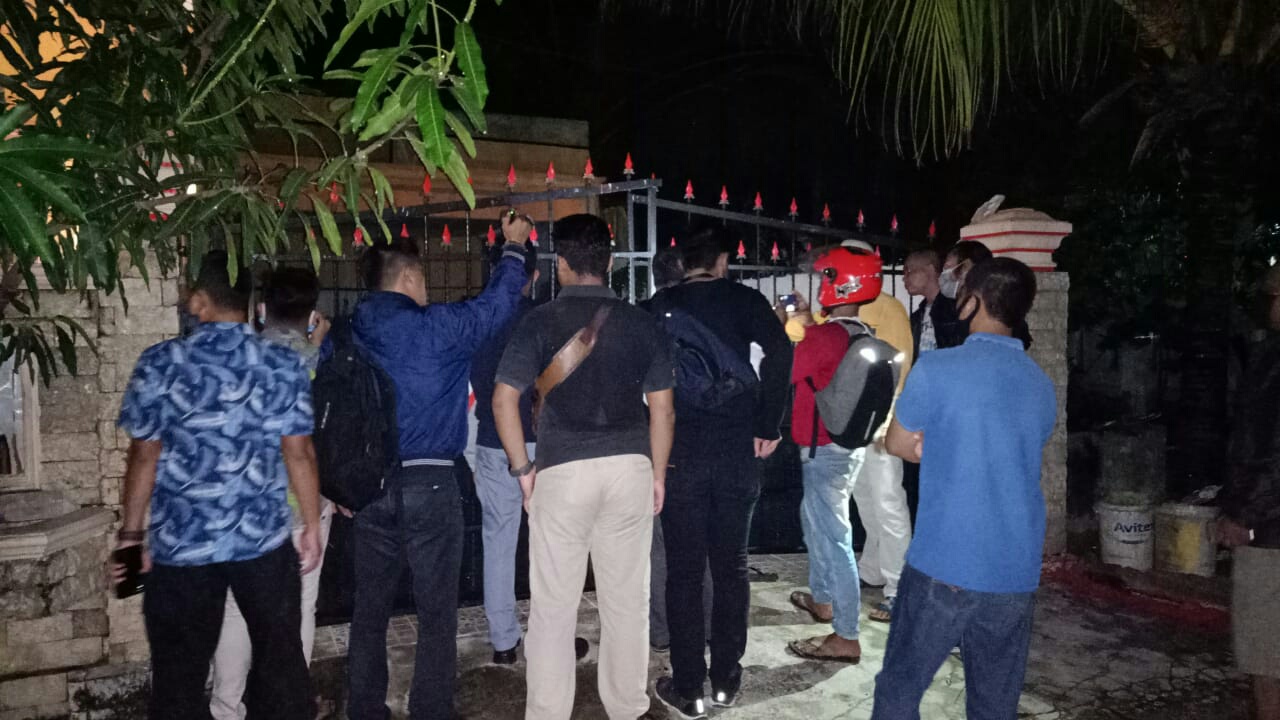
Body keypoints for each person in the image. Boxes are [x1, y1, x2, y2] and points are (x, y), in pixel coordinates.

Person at [110, 251, 322, 720]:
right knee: (282, 668)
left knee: (178, 681)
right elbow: (299, 452)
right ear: (247, 302)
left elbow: (144, 455)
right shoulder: (280, 364)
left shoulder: (160, 363)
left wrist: (131, 535)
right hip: (262, 543)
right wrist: (310, 524)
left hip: (183, 546)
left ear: (200, 301)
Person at [345, 217, 532, 720]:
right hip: (429, 481)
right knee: (436, 612)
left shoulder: (350, 331)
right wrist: (514, 248)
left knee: (369, 611)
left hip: (368, 486)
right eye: (422, 277)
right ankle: (430, 709)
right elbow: (495, 308)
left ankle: (364, 709)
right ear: (408, 277)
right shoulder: (436, 329)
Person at [493, 213, 676, 720]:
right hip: (630, 468)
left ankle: (548, 713)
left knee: (553, 609)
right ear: (611, 261)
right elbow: (663, 410)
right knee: (627, 603)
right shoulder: (643, 323)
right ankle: (627, 708)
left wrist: (522, 471)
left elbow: (504, 400)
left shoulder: (538, 321)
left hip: (562, 472)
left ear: (562, 263)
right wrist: (657, 475)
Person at [873, 258, 1056, 720]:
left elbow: (897, 442)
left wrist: (937, 445)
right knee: (994, 705)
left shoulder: (937, 368)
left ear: (973, 301)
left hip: (944, 564)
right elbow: (1010, 450)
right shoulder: (1040, 383)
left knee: (898, 691)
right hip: (1015, 570)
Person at [649, 228, 793, 718]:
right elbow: (781, 353)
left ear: (682, 262)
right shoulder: (744, 300)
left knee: (684, 573)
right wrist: (768, 424)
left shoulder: (660, 307)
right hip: (736, 451)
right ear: (723, 261)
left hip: (681, 454)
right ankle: (727, 679)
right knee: (731, 567)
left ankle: (689, 687)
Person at [209, 267, 334, 720]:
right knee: (299, 608)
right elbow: (307, 445)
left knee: (234, 612)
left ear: (261, 309)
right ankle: (289, 705)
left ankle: (226, 706)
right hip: (300, 508)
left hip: (242, 505)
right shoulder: (316, 361)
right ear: (311, 314)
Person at [783, 246, 886, 665]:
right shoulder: (858, 333)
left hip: (823, 451)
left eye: (826, 276)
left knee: (835, 536)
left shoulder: (826, 338)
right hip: (844, 448)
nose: (821, 282)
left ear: (838, 283)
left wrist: (784, 323)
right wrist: (806, 321)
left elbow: (786, 369)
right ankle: (823, 599)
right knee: (817, 524)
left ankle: (846, 635)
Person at [469, 242, 539, 665]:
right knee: (551, 544)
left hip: (492, 440)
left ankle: (503, 642)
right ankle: (549, 635)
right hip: (542, 442)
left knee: (498, 540)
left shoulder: (477, 319)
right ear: (535, 276)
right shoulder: (542, 317)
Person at [641, 246, 713, 654]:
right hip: (699, 439)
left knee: (657, 547)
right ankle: (706, 624)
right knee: (700, 544)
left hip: (653, 442)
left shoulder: (642, 318)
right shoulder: (704, 317)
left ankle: (662, 629)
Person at [1216, 264, 1280, 720]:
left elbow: (1270, 449)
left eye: (1274, 294)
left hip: (1271, 533)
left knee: (1266, 653)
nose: (1268, 303)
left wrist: (1244, 517)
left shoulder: (1274, 362)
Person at [943, 241, 1033, 349]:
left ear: (967, 267)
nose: (946, 277)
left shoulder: (1003, 306)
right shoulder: (946, 305)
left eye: (950, 269)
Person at [903, 249, 964, 357]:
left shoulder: (954, 310)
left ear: (930, 269)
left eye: (909, 271)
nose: (904, 278)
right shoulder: (917, 316)